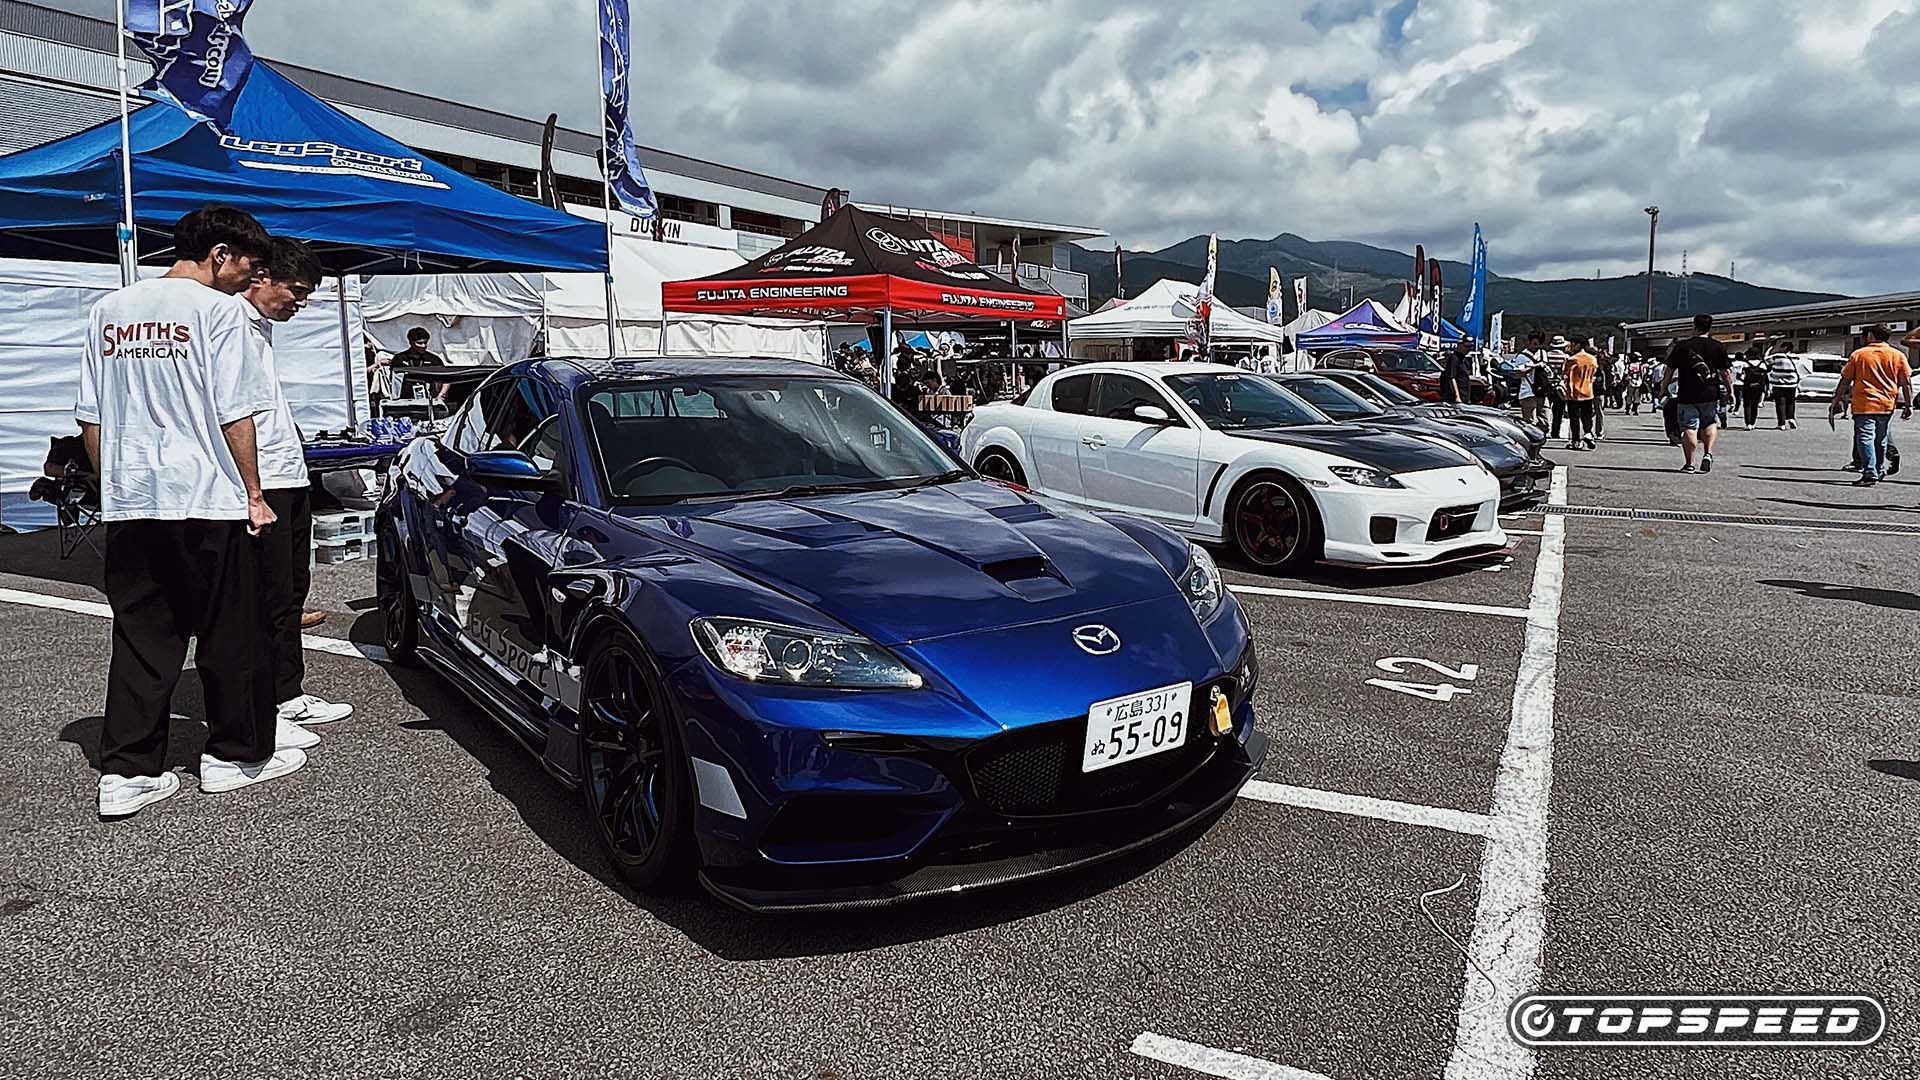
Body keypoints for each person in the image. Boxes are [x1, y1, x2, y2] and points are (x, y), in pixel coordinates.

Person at [76, 206, 307, 817]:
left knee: (141, 633)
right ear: (221, 254)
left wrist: (111, 490)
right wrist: (256, 494)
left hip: (133, 499)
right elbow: (237, 413)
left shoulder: (110, 310)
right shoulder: (220, 313)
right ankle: (235, 755)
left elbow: (90, 417)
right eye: (248, 267)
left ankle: (126, 772)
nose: (246, 280)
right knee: (234, 628)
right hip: (207, 494)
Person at [245, 237, 356, 728]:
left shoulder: (259, 329)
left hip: (285, 474)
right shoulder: (228, 324)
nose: (301, 302)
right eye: (295, 289)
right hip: (263, 480)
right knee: (265, 596)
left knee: (290, 589)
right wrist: (251, 490)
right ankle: (262, 704)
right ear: (260, 276)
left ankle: (286, 693)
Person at [1831, 324, 1913, 487]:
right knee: (1881, 438)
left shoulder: (1859, 355)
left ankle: (1870, 473)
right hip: (1886, 403)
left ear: (1870, 336)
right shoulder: (1897, 355)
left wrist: (1836, 399)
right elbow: (1906, 382)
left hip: (1864, 403)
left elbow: (1845, 380)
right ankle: (1879, 468)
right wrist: (1908, 405)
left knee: (1865, 438)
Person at [1662, 313, 1734, 473]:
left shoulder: (1682, 346)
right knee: (1709, 422)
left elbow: (1669, 370)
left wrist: (1663, 388)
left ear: (1694, 326)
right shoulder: (1718, 346)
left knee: (1689, 426)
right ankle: (1708, 453)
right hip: (1710, 392)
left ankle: (1689, 464)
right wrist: (1730, 391)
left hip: (1687, 393)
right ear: (1710, 327)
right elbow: (1725, 372)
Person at [1563, 339, 1599, 451]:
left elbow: (1566, 375)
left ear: (1578, 344)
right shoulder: (1592, 359)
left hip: (1573, 392)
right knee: (1587, 416)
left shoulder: (1571, 360)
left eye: (1572, 344)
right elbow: (1594, 373)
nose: (1571, 347)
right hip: (1588, 391)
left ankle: (1576, 441)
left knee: (1574, 418)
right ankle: (1588, 433)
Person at [389, 328, 444, 400]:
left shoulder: (433, 358)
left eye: (425, 343)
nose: (423, 346)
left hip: (428, 398)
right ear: (411, 342)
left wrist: (442, 395)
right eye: (419, 343)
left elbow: (445, 378)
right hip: (404, 399)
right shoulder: (399, 358)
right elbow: (393, 379)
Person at [1766, 348, 1802, 429]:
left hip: (1778, 384)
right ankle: (1791, 418)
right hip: (1792, 384)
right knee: (1791, 402)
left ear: (1784, 347)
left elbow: (1766, 361)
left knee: (1780, 404)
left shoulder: (1777, 356)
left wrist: (1770, 349)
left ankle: (1781, 424)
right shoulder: (1796, 358)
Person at [1738, 345, 1769, 429]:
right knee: (1754, 405)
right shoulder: (1762, 364)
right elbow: (1765, 376)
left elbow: (1740, 375)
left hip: (1747, 386)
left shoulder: (1745, 363)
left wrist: (1744, 381)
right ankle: (1753, 422)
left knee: (1747, 404)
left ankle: (1748, 423)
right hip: (1759, 387)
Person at [1442, 338, 1474, 404]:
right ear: (1460, 345)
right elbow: (1452, 378)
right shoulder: (1454, 358)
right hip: (1456, 397)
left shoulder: (1463, 359)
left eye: (1470, 347)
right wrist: (1457, 396)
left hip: (1465, 395)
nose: (1468, 349)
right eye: (1466, 346)